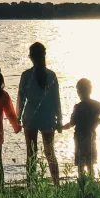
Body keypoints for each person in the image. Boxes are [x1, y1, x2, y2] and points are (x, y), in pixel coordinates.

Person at [17, 42, 63, 186]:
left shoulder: (26, 75)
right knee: (50, 154)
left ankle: (31, 185)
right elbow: (56, 100)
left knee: (31, 154)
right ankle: (56, 184)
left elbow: (21, 98)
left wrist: (17, 118)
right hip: (48, 118)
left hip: (30, 118)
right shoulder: (52, 75)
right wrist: (59, 119)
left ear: (31, 57)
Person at [62, 78, 100, 179]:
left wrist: (61, 128)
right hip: (91, 135)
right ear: (90, 90)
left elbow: (71, 123)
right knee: (90, 162)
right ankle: (91, 182)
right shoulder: (96, 104)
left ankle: (82, 183)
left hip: (80, 137)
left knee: (81, 163)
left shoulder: (78, 107)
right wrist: (98, 122)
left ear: (79, 92)